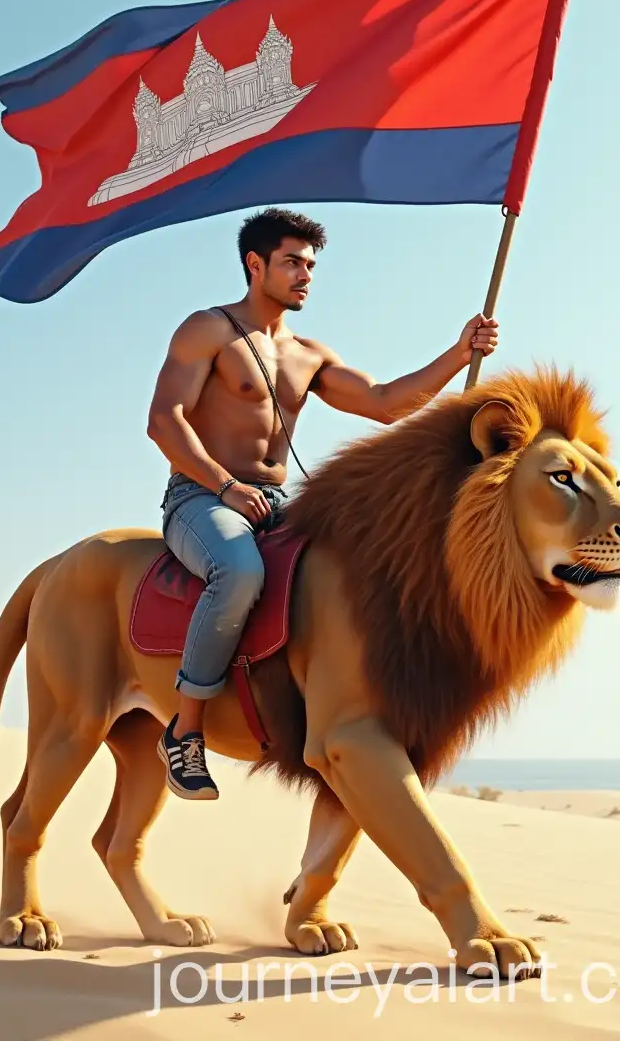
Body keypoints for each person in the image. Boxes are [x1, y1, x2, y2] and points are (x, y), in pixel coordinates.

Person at [146, 207, 499, 799]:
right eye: (292, 263)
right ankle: (185, 730)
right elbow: (164, 421)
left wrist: (460, 353)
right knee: (237, 571)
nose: (305, 275)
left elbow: (386, 403)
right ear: (255, 265)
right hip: (200, 497)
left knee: (360, 565)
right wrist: (225, 487)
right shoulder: (207, 330)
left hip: (276, 500)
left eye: (311, 265)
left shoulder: (309, 355)